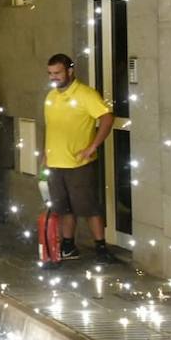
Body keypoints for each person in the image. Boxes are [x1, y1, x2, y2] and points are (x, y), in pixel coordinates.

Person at [42, 53, 116, 263]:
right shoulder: (51, 96)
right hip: (55, 163)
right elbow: (51, 128)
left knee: (89, 206)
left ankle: (101, 248)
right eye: (50, 73)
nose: (53, 77)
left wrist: (93, 146)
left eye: (57, 73)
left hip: (78, 163)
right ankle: (68, 245)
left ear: (70, 71)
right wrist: (45, 155)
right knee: (63, 208)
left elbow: (107, 118)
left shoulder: (85, 94)